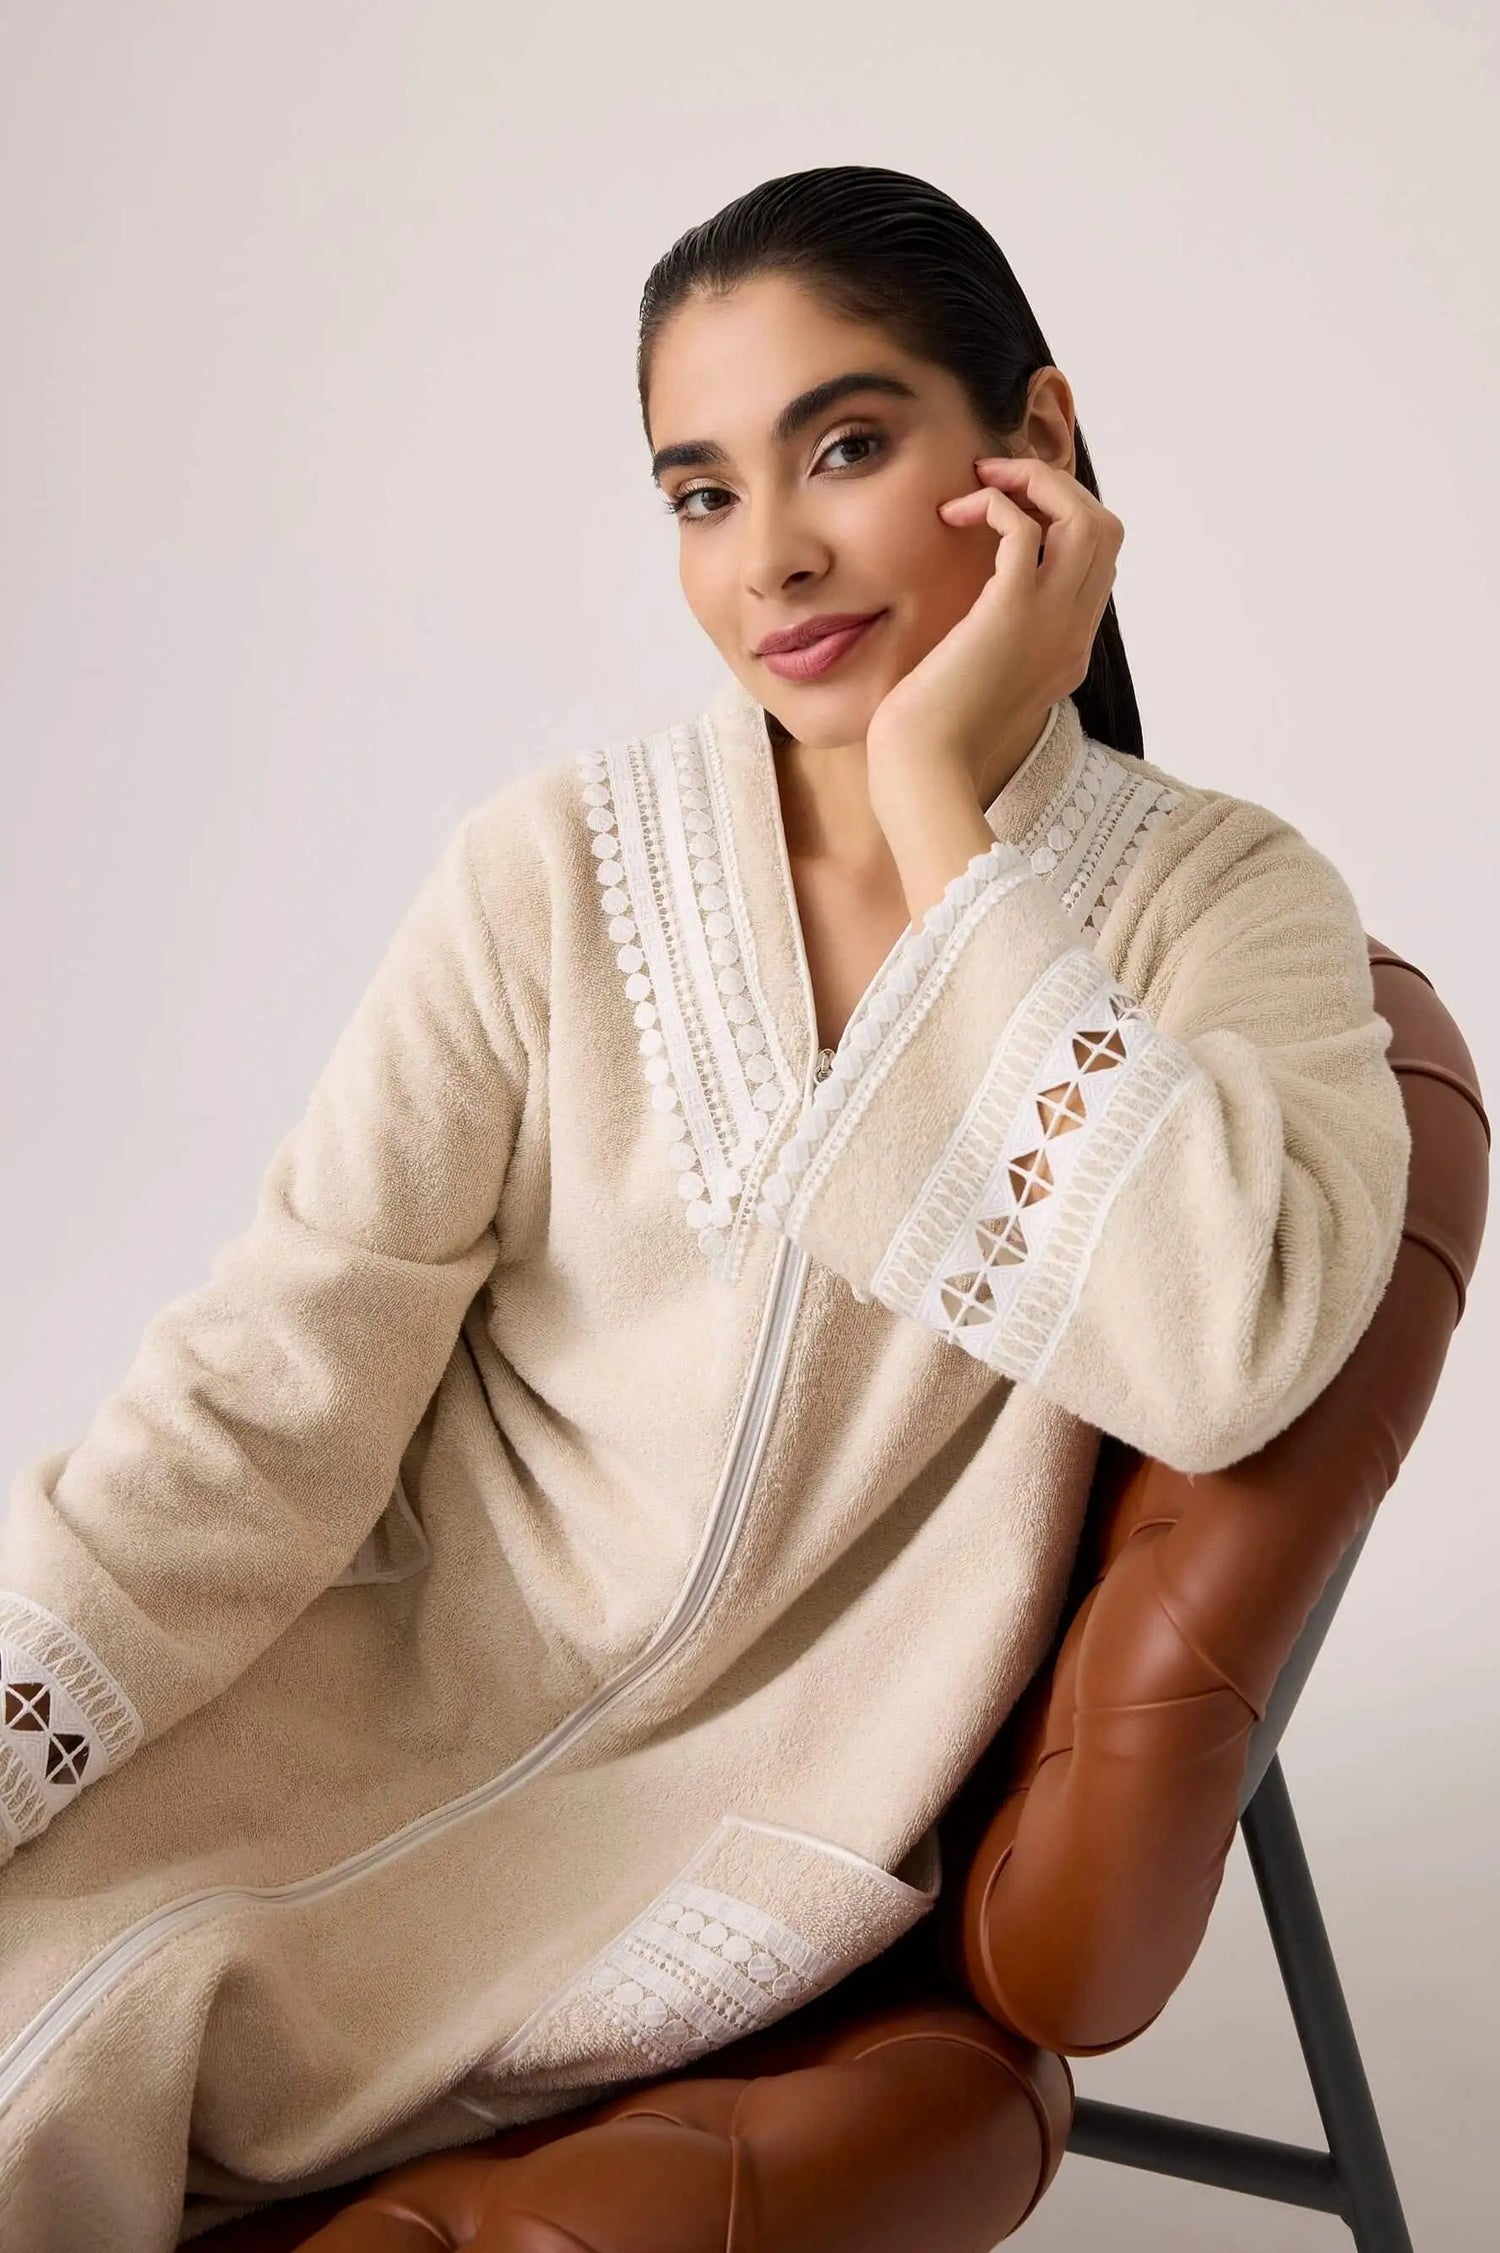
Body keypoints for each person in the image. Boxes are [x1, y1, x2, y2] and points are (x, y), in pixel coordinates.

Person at [0, 164, 1410, 2251]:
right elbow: (273, 1385)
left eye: (846, 447)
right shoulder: (548, 870)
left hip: (703, 1837)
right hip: (345, 1712)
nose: (774, 558)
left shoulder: (1228, 906)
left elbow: (1228, 1352)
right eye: (702, 492)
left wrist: (936, 803)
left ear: (1032, 443)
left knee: (88, 2056)